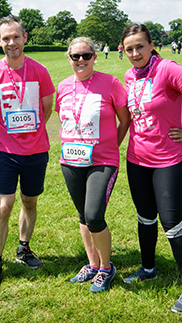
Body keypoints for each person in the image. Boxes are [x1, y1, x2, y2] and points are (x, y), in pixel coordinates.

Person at [121, 23, 182, 314]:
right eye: (129, 48)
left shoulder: (167, 68)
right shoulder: (128, 75)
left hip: (167, 161)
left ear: (151, 46)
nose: (135, 53)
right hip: (137, 159)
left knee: (172, 223)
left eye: (139, 46)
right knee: (145, 218)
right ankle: (148, 269)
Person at [0, 16, 55, 289]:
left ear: (24, 38)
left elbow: (47, 109)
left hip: (36, 151)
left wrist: (30, 132)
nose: (11, 42)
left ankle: (23, 249)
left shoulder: (40, 71)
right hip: (5, 153)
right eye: (5, 38)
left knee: (30, 202)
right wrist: (10, 135)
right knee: (3, 206)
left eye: (16, 37)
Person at [56, 37, 130, 293]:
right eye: (75, 56)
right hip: (71, 160)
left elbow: (125, 119)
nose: (80, 61)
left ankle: (107, 268)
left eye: (86, 55)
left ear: (94, 57)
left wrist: (112, 146)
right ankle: (92, 264)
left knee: (95, 216)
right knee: (83, 215)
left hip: (103, 160)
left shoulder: (110, 83)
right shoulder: (63, 86)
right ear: (68, 58)